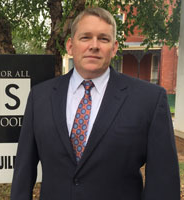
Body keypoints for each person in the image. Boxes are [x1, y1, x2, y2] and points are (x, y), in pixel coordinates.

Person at [11, 7, 180, 200]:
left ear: (115, 48)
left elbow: (163, 182)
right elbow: (23, 172)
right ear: (70, 46)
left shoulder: (149, 99)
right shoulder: (40, 97)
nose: (94, 45)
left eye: (103, 39)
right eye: (85, 38)